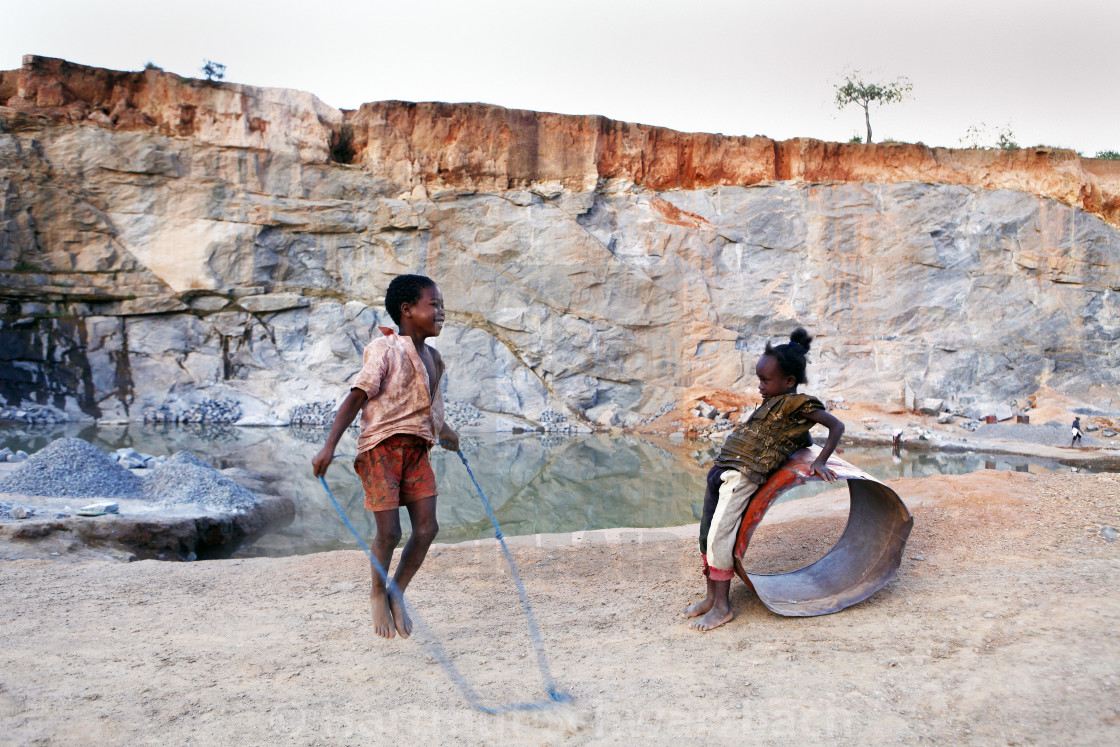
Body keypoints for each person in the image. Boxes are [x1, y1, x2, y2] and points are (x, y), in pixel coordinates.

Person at [312, 274, 459, 640]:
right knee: (390, 531)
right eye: (433, 304)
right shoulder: (385, 349)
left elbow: (429, 408)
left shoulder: (435, 358)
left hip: (416, 450)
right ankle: (378, 593)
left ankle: (397, 589)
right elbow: (357, 396)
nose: (441, 312)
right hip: (381, 448)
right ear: (407, 310)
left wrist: (447, 432)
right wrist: (329, 446)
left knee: (428, 528)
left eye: (441, 305)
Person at [681, 328, 845, 632]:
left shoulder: (799, 403)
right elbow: (799, 435)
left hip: (743, 475)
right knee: (707, 533)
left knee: (720, 536)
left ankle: (722, 607)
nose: (760, 386)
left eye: (765, 380)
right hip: (723, 468)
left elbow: (836, 426)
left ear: (789, 381)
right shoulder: (775, 403)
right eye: (759, 379)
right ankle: (709, 598)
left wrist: (820, 461)